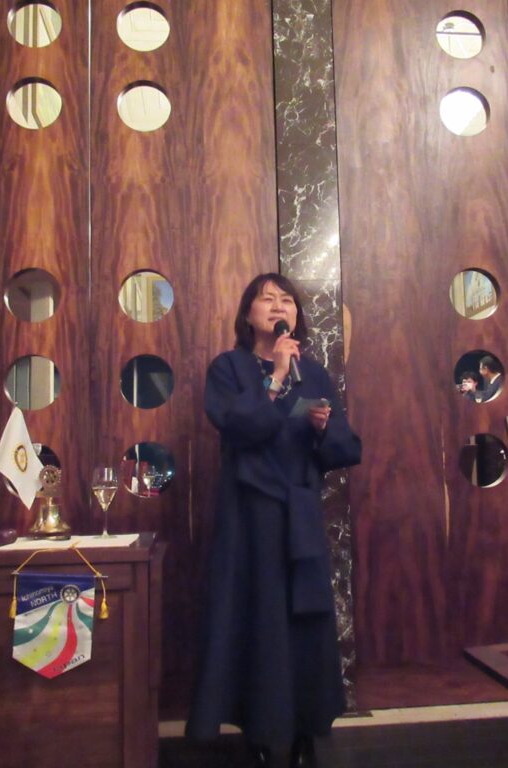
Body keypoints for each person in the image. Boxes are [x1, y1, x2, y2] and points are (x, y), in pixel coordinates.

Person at [187, 274, 362, 767]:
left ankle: (306, 729)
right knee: (257, 620)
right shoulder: (228, 368)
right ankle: (260, 732)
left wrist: (325, 430)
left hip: (300, 517)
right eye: (267, 299)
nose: (278, 306)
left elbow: (347, 448)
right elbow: (238, 426)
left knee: (305, 625)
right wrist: (277, 377)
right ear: (248, 314)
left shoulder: (316, 374)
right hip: (249, 518)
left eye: (286, 300)